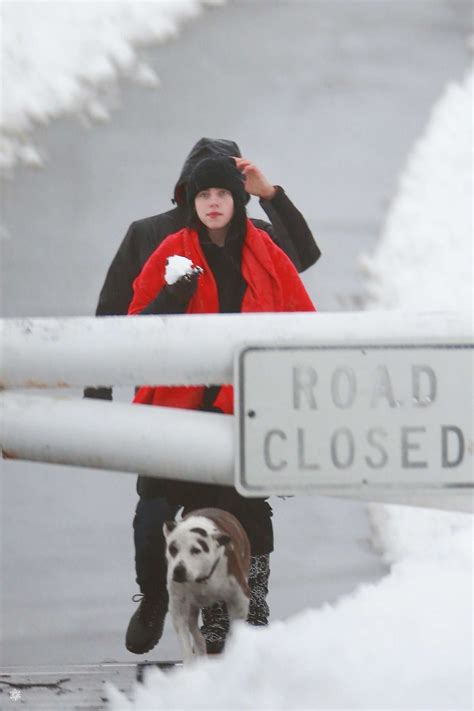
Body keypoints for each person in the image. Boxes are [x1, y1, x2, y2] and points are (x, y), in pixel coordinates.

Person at [84, 137, 321, 655]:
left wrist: (271, 194)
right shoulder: (152, 238)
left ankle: (241, 615)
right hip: (172, 406)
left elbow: (302, 276)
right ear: (188, 191)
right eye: (204, 189)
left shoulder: (259, 241)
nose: (214, 200)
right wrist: (97, 392)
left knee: (245, 513)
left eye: (226, 187)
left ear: (236, 194)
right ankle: (154, 597)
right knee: (155, 517)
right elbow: (116, 317)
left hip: (242, 407)